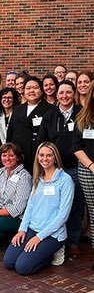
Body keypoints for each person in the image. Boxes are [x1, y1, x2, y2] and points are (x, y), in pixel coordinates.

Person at [3, 142, 74, 275]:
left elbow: (63, 216)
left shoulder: (65, 180)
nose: (45, 158)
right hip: (32, 228)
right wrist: (22, 230)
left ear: (55, 157)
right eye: (41, 155)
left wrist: (39, 237)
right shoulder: (38, 179)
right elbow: (30, 207)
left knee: (22, 267)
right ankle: (37, 253)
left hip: (53, 234)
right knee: (9, 262)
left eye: (49, 155)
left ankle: (52, 253)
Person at [39, 80, 84, 259]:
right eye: (61, 92)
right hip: (54, 170)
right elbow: (43, 140)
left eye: (68, 92)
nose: (64, 96)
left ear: (74, 94)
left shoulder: (82, 113)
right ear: (56, 95)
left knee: (75, 206)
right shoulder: (50, 114)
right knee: (54, 206)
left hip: (75, 169)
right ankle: (55, 240)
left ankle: (73, 242)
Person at [7, 76, 57, 173]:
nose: (31, 91)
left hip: (40, 158)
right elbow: (10, 133)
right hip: (19, 157)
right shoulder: (17, 110)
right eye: (28, 88)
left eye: (35, 88)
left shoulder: (51, 110)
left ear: (42, 91)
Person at [72, 82, 94, 269]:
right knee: (93, 214)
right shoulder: (83, 117)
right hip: (88, 170)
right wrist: (91, 165)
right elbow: (76, 147)